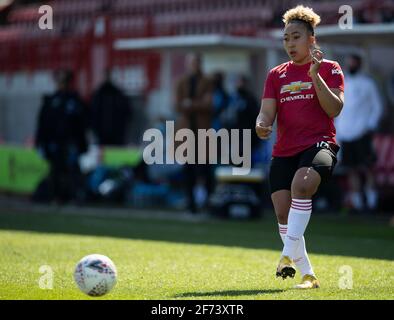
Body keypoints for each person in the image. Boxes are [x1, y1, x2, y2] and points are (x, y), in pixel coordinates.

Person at [255, 5, 345, 289]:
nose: (290, 43)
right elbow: (266, 112)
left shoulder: (330, 68)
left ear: (311, 39)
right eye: (286, 38)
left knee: (302, 185)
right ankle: (308, 275)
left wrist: (315, 76)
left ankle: (285, 257)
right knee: (282, 212)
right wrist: (261, 123)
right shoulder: (275, 75)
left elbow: (335, 109)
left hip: (319, 144)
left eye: (296, 37)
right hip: (284, 150)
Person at [335, 54, 383, 212]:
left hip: (362, 132)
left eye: (353, 63)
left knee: (368, 167)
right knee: (351, 169)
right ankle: (357, 204)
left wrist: (369, 125)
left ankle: (372, 202)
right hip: (345, 133)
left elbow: (377, 106)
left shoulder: (367, 84)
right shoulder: (343, 83)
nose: (350, 65)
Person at [35, 70, 88, 203]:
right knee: (56, 171)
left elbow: (82, 124)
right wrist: (41, 142)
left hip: (71, 143)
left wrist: (82, 144)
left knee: (73, 171)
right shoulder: (51, 101)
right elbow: (43, 124)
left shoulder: (75, 101)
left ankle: (75, 196)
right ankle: (57, 196)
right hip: (55, 143)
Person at [175, 53, 213, 214]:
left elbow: (208, 104)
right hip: (186, 131)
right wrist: (194, 104)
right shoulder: (182, 82)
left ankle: (206, 202)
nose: (194, 65)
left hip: (202, 131)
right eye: (192, 62)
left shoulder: (207, 81)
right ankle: (190, 203)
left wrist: (190, 104)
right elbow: (177, 105)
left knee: (203, 169)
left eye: (197, 62)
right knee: (188, 169)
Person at [90, 70, 131, 146]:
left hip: (117, 135)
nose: (107, 78)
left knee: (116, 154)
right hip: (101, 135)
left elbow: (127, 113)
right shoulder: (98, 95)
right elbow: (92, 114)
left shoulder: (118, 94)